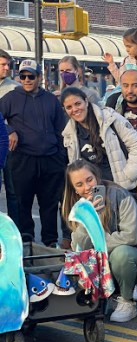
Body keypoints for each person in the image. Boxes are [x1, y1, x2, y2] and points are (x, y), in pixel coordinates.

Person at [62, 160, 137, 322]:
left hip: (132, 255)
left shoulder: (119, 194)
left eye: (89, 180)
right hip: (98, 260)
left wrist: (100, 245)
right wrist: (88, 217)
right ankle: (98, 297)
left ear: (97, 177)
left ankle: (127, 300)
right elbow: (78, 247)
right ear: (74, 189)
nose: (87, 187)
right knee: (78, 259)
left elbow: (132, 236)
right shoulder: (76, 205)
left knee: (122, 254)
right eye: (79, 184)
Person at [0, 59, 68, 247]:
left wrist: (60, 155)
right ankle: (26, 240)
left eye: (31, 76)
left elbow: (61, 129)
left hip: (50, 159)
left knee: (49, 204)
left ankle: (50, 242)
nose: (27, 80)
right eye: (23, 76)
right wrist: (9, 129)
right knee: (22, 202)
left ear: (39, 77)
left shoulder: (51, 100)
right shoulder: (10, 98)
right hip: (23, 158)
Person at [60, 86, 137, 215]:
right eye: (69, 107)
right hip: (96, 193)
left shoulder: (110, 118)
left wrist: (129, 175)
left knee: (131, 230)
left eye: (78, 103)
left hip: (124, 188)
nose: (75, 109)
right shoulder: (69, 134)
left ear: (86, 102)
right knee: (106, 231)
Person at [0, 49, 18, 220]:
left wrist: (10, 129)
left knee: (13, 191)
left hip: (10, 147)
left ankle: (15, 230)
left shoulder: (14, 87)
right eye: (2, 65)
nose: (6, 68)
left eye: (8, 65)